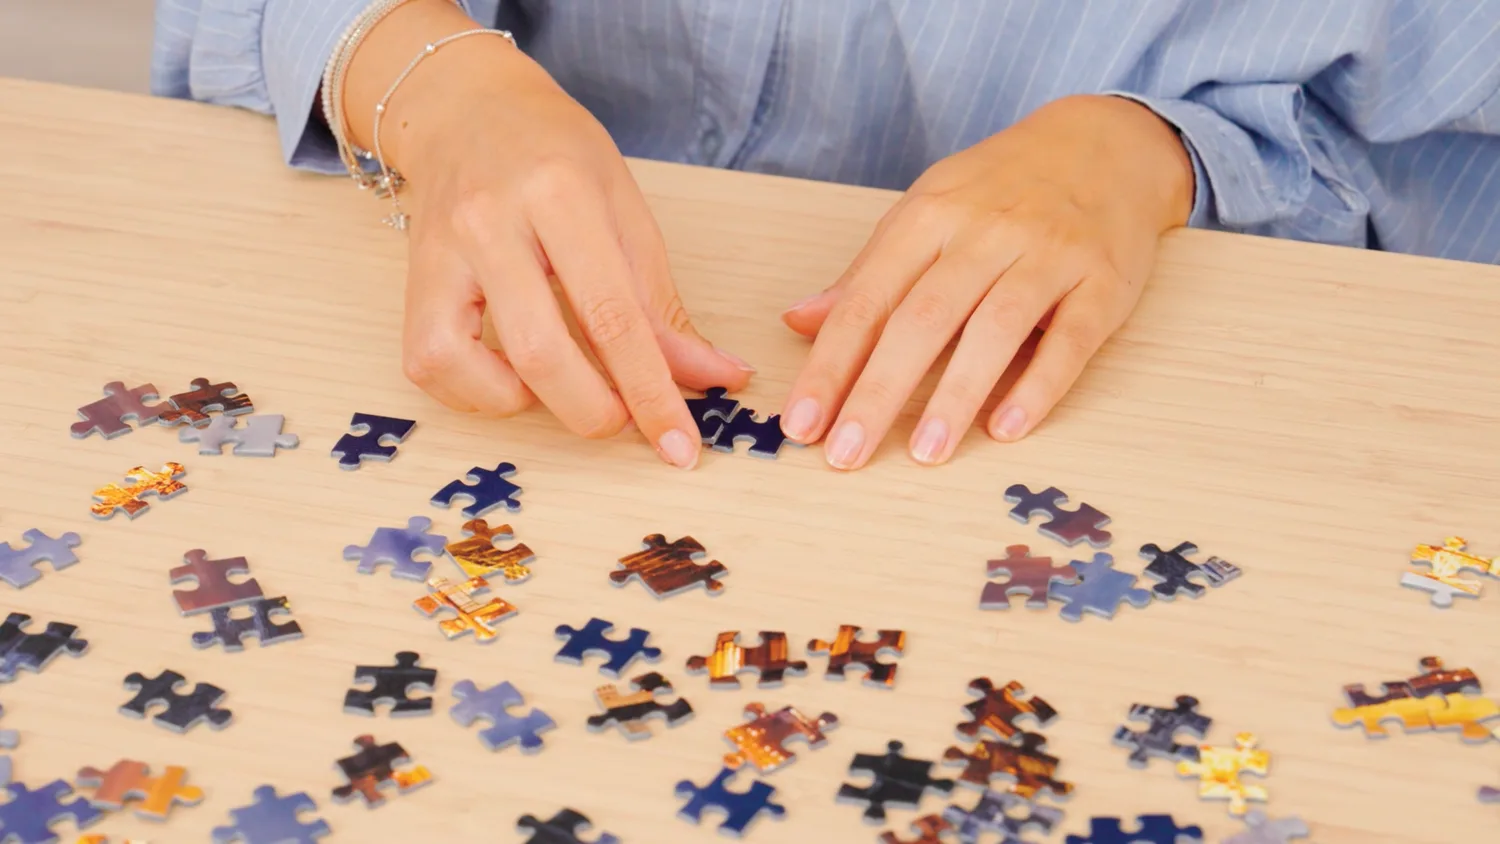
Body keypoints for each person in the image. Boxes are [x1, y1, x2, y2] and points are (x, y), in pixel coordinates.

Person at [153, 1, 1500, 471]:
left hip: (1183, 399)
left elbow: (1446, 158)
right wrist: (430, 76)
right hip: (407, 306)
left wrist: (1152, 153)